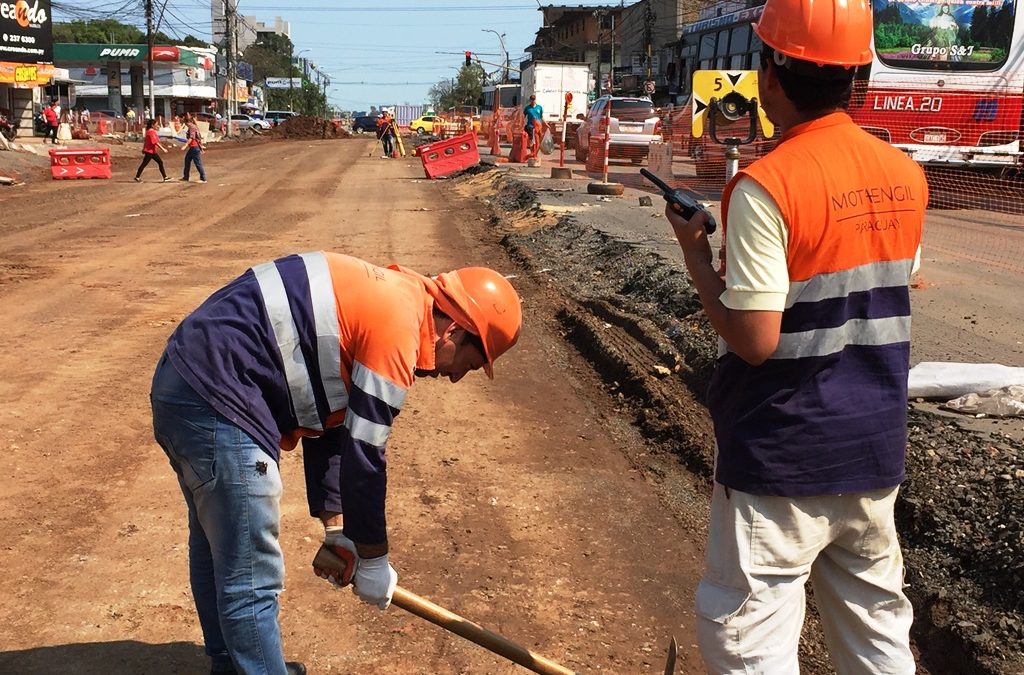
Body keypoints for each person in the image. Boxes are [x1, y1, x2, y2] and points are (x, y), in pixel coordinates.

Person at [663, 0, 926, 672]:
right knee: (876, 636)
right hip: (872, 451)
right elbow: (891, 282)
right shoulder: (905, 175)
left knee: (749, 637)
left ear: (771, 70)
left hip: (783, 454)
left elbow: (755, 340)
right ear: (854, 76)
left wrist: (698, 260)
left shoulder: (767, 186)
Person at [151, 254, 522, 674]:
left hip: (186, 381)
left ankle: (237, 666)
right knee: (251, 571)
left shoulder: (397, 298)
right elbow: (364, 458)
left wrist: (338, 529)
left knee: (220, 543)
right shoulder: (397, 330)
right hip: (215, 397)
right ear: (455, 329)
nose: (455, 378)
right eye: (469, 365)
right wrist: (374, 557)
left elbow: (328, 423)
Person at [180, 113, 207, 183]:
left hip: (194, 147)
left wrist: (185, 145)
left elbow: (192, 138)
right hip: (193, 147)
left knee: (198, 163)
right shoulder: (192, 126)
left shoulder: (191, 127)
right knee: (187, 160)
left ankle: (203, 178)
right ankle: (186, 177)